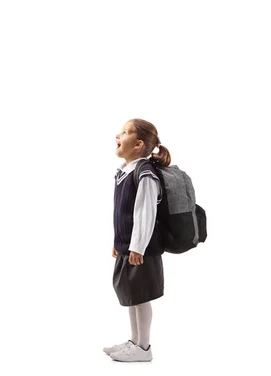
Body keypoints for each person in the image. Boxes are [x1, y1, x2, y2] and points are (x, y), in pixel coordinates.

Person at [103, 118, 172, 362]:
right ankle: (135, 341)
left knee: (141, 297)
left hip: (141, 250)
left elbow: (145, 212)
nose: (117, 135)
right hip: (129, 247)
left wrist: (137, 246)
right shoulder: (124, 172)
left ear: (139, 144)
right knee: (132, 295)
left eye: (124, 132)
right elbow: (122, 213)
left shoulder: (145, 173)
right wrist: (118, 241)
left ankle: (144, 347)